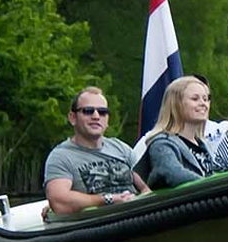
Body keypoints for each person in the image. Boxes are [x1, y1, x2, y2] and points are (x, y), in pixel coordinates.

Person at [43, 86, 151, 215]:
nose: (96, 116)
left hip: (136, 218)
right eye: (88, 111)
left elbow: (147, 186)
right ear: (72, 118)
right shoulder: (60, 157)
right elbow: (59, 202)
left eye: (102, 112)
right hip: (97, 227)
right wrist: (108, 199)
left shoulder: (121, 147)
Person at [133, 76, 224, 189]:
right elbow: (173, 174)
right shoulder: (161, 144)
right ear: (176, 104)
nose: (203, 104)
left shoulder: (205, 145)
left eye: (205, 99)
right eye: (195, 99)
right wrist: (215, 186)